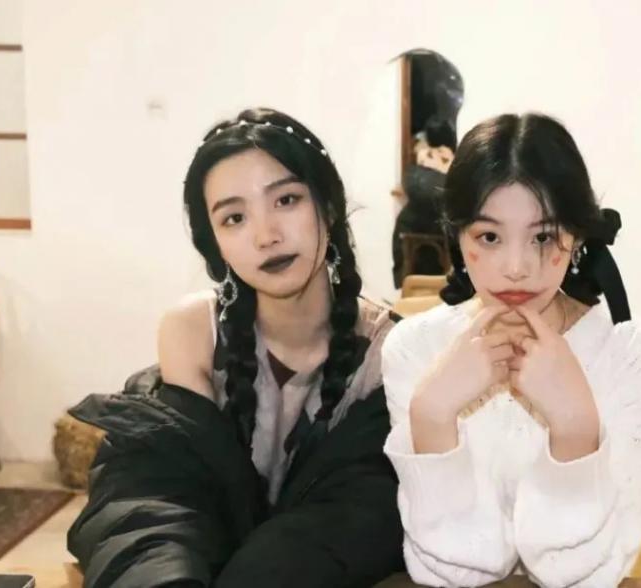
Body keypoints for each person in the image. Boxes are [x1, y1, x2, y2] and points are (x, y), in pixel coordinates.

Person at [67, 108, 404, 587]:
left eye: (286, 200)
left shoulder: (391, 349)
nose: (266, 236)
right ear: (216, 244)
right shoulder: (193, 329)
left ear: (327, 206)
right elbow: (167, 494)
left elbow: (358, 513)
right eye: (234, 218)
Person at [381, 113, 641, 588]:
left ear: (575, 236)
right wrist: (432, 414)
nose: (516, 267)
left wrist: (575, 426)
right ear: (457, 235)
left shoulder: (637, 354)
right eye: (489, 237)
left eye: (543, 237)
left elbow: (586, 577)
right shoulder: (416, 348)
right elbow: (452, 572)